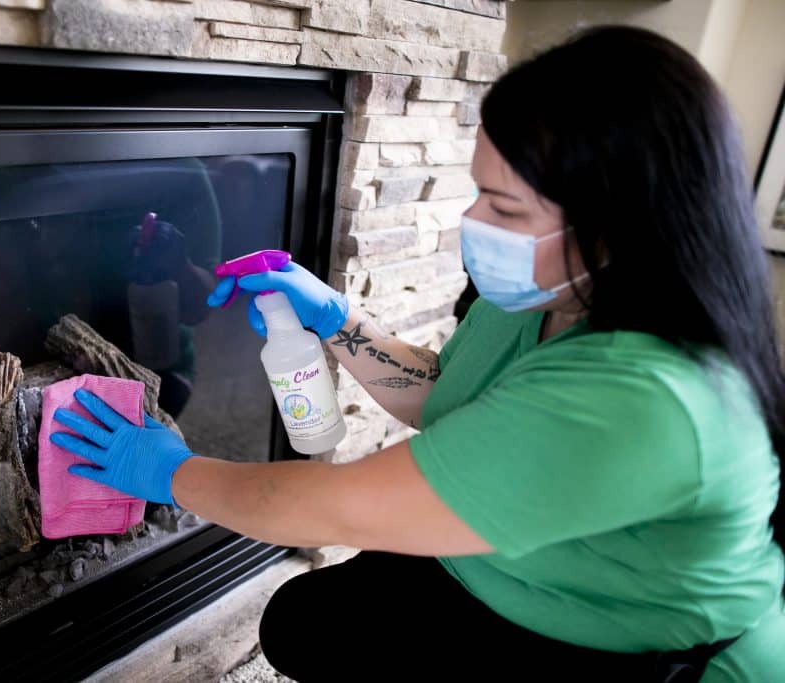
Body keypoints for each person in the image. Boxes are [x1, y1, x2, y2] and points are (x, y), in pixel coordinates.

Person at [47, 26, 785, 681]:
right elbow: (446, 395)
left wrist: (170, 471)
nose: (471, 222)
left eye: (504, 208)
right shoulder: (543, 292)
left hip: (627, 645)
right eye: (477, 192)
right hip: (509, 566)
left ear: (619, 227)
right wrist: (337, 319)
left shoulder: (645, 398)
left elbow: (341, 508)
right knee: (304, 621)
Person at [0, 158, 220, 418]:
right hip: (41, 347)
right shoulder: (3, 190)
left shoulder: (179, 173)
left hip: (152, 359)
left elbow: (200, 308)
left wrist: (179, 267)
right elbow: (6, 330)